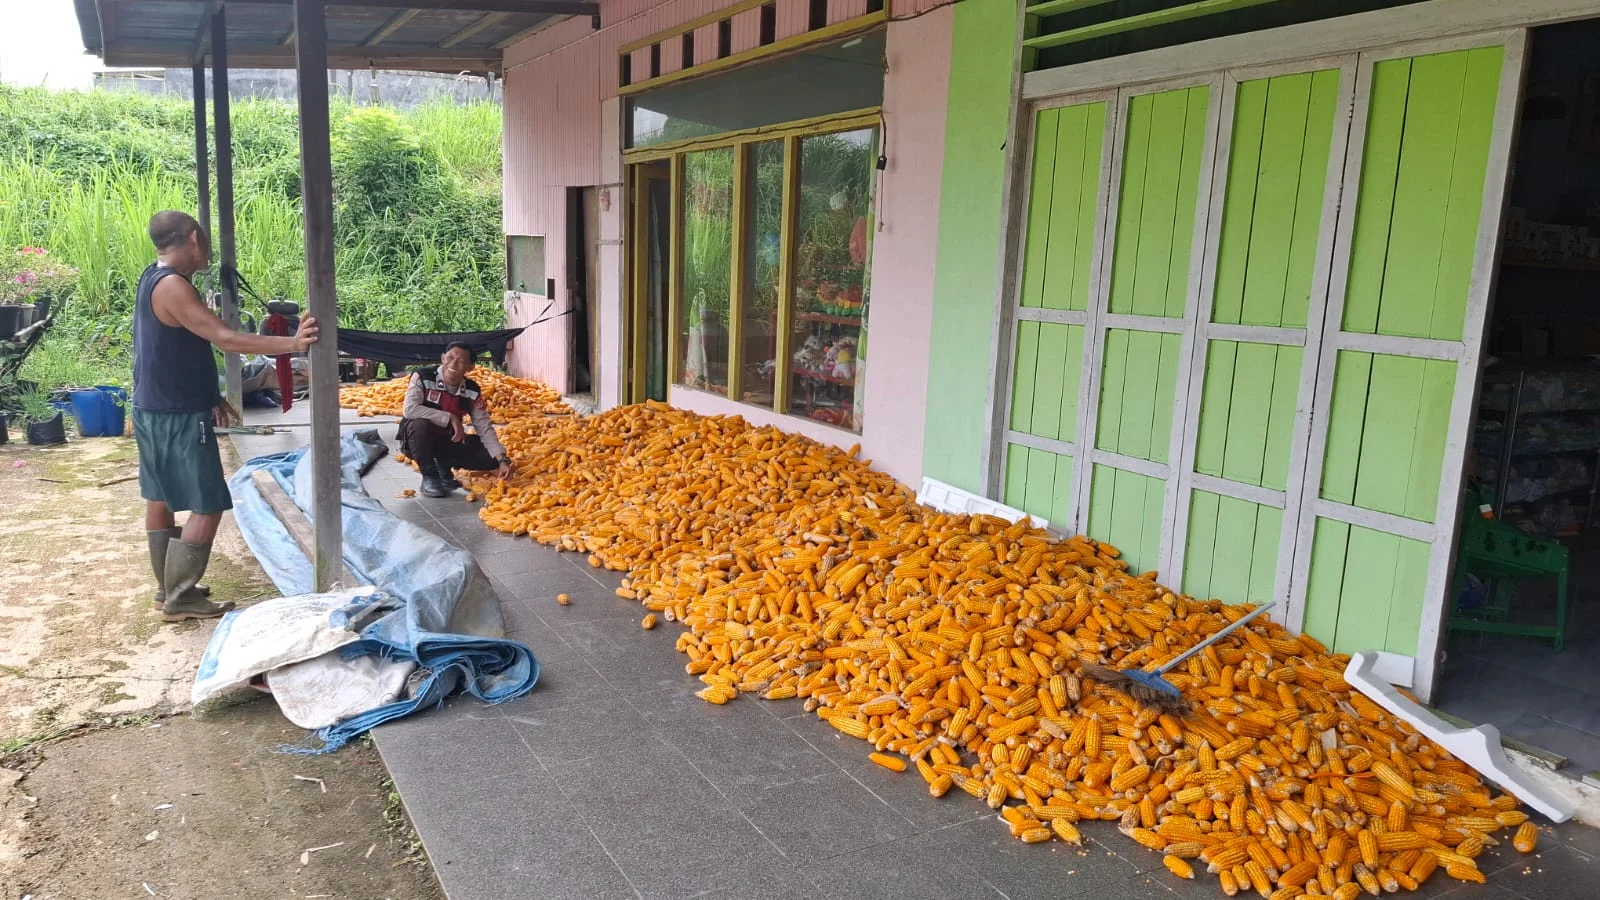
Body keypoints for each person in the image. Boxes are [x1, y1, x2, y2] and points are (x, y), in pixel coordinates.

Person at [135, 211, 319, 622]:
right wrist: (293, 343)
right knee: (208, 501)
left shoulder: (152, 276)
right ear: (194, 237)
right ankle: (181, 597)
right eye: (205, 238)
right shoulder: (173, 286)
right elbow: (225, 338)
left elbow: (177, 349)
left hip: (153, 406)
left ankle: (168, 589)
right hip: (178, 413)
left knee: (160, 494)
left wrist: (211, 394)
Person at [398, 342, 513, 498]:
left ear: (470, 367)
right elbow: (410, 409)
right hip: (417, 440)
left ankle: (443, 464)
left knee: (490, 457)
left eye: (461, 361)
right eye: (450, 358)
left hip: (448, 440)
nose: (453, 364)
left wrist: (502, 460)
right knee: (420, 424)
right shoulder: (423, 376)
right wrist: (450, 417)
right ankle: (429, 475)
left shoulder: (471, 390)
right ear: (442, 358)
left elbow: (484, 427)